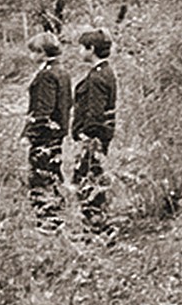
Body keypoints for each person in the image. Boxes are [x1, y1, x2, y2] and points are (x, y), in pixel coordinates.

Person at [21, 32, 71, 228]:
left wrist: (29, 134)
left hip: (44, 135)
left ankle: (47, 221)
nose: (31, 56)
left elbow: (43, 109)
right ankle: (58, 217)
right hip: (57, 133)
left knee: (40, 176)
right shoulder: (63, 71)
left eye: (33, 52)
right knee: (54, 172)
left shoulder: (46, 75)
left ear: (42, 52)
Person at [72, 27, 117, 229]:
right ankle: (98, 225)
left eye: (82, 48)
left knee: (86, 181)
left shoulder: (97, 77)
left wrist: (85, 135)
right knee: (92, 178)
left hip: (93, 139)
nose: (79, 52)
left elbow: (95, 113)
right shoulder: (106, 72)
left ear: (91, 49)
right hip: (99, 137)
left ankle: (97, 228)